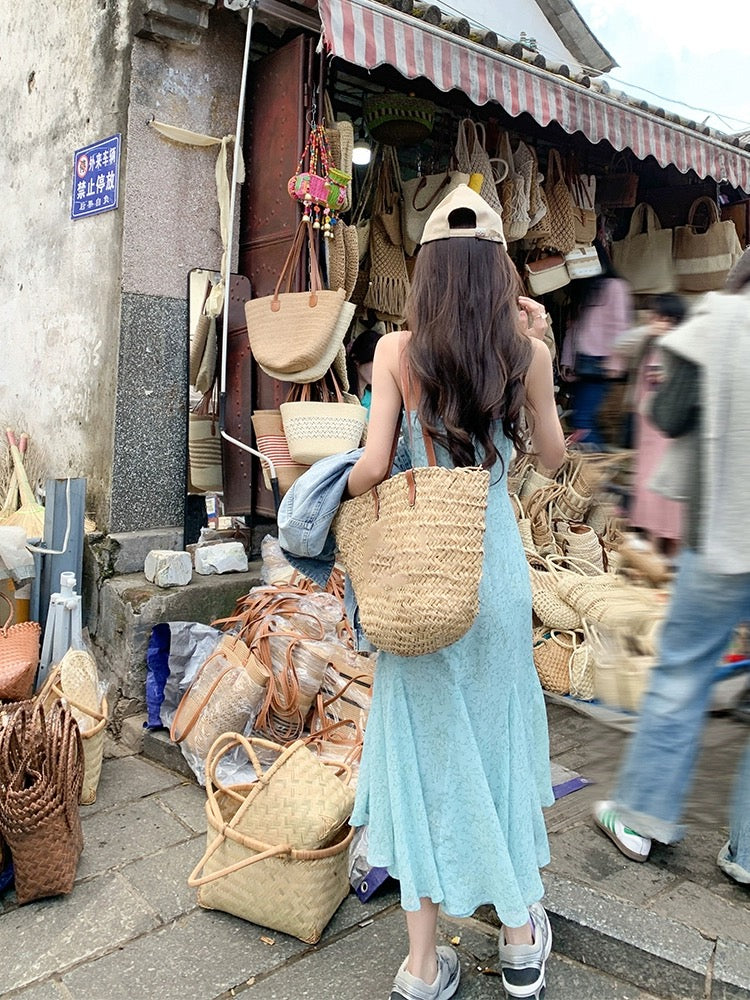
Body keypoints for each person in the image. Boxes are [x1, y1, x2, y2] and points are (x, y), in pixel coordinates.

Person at [344, 184, 566, 1000]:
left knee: (423, 754)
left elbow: (370, 469)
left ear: (430, 271)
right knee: (498, 747)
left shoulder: (395, 353)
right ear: (498, 269)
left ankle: (421, 965)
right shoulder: (526, 353)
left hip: (418, 576)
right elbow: (548, 456)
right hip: (495, 569)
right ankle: (516, 941)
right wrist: (537, 343)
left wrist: (314, 497)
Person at [593, 248, 750, 887]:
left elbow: (667, 413)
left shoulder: (718, 321)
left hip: (726, 539)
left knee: (682, 672)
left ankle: (643, 817)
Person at [624, 294, 688, 558]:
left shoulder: (681, 348)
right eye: (654, 315)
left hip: (668, 431)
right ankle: (654, 547)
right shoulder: (651, 342)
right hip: (649, 429)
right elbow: (620, 344)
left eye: (662, 317)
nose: (655, 321)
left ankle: (670, 551)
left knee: (665, 488)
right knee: (649, 484)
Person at [560, 242, 633, 449]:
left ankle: (600, 465)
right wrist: (567, 361)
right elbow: (573, 328)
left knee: (582, 420)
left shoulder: (615, 286)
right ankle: (600, 464)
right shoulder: (585, 289)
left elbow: (620, 325)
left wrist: (617, 362)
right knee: (582, 419)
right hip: (584, 362)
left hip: (602, 363)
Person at [345, 327, 383, 416]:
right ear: (357, 360)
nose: (379, 369)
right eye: (375, 362)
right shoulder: (341, 395)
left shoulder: (375, 400)